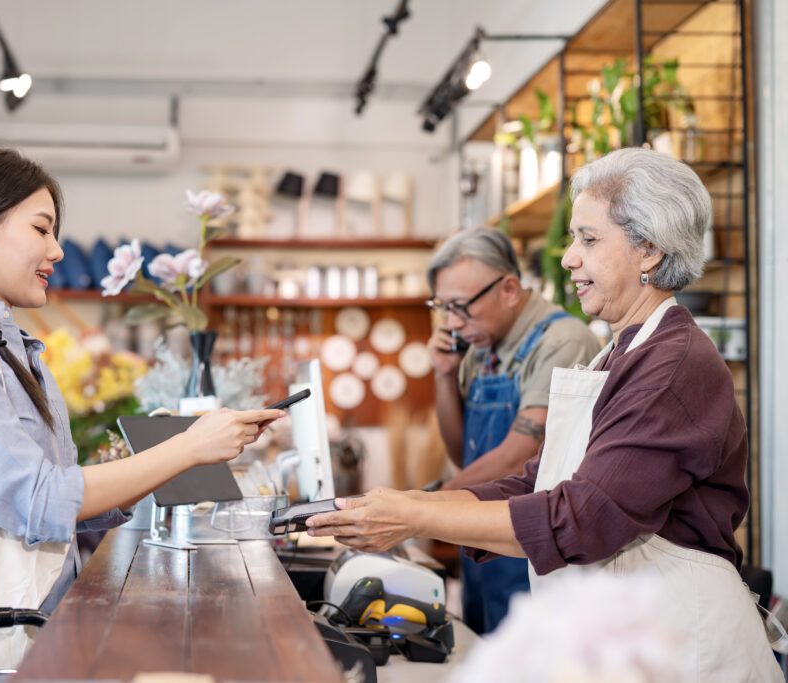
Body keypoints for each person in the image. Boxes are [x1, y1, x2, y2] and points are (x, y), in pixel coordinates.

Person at [308, 147, 782, 680]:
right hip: (628, 635)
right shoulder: (621, 352)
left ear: (648, 249)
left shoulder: (672, 365)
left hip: (682, 647)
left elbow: (580, 519)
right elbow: (538, 482)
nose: (567, 258)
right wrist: (409, 501)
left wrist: (414, 516)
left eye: (589, 238)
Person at [0, 146, 284, 613]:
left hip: (35, 619)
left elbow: (66, 502)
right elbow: (37, 502)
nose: (57, 250)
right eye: (41, 229)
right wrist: (188, 447)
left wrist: (177, 452)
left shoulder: (15, 347)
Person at [424, 227, 600, 634]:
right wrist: (445, 377)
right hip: (483, 544)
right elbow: (463, 454)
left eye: (460, 307)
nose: (452, 323)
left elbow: (517, 456)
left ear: (507, 289)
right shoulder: (481, 349)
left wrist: (422, 506)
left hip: (532, 550)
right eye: (442, 308)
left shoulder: (561, 342)